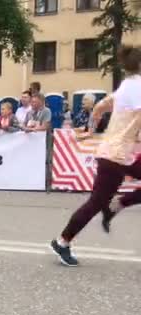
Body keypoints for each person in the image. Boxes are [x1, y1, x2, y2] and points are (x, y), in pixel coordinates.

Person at [50, 46, 141, 267]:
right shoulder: (138, 87)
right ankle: (63, 241)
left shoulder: (126, 85)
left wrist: (91, 129)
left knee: (99, 201)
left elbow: (100, 107)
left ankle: (117, 205)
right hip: (116, 155)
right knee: (96, 202)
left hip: (118, 152)